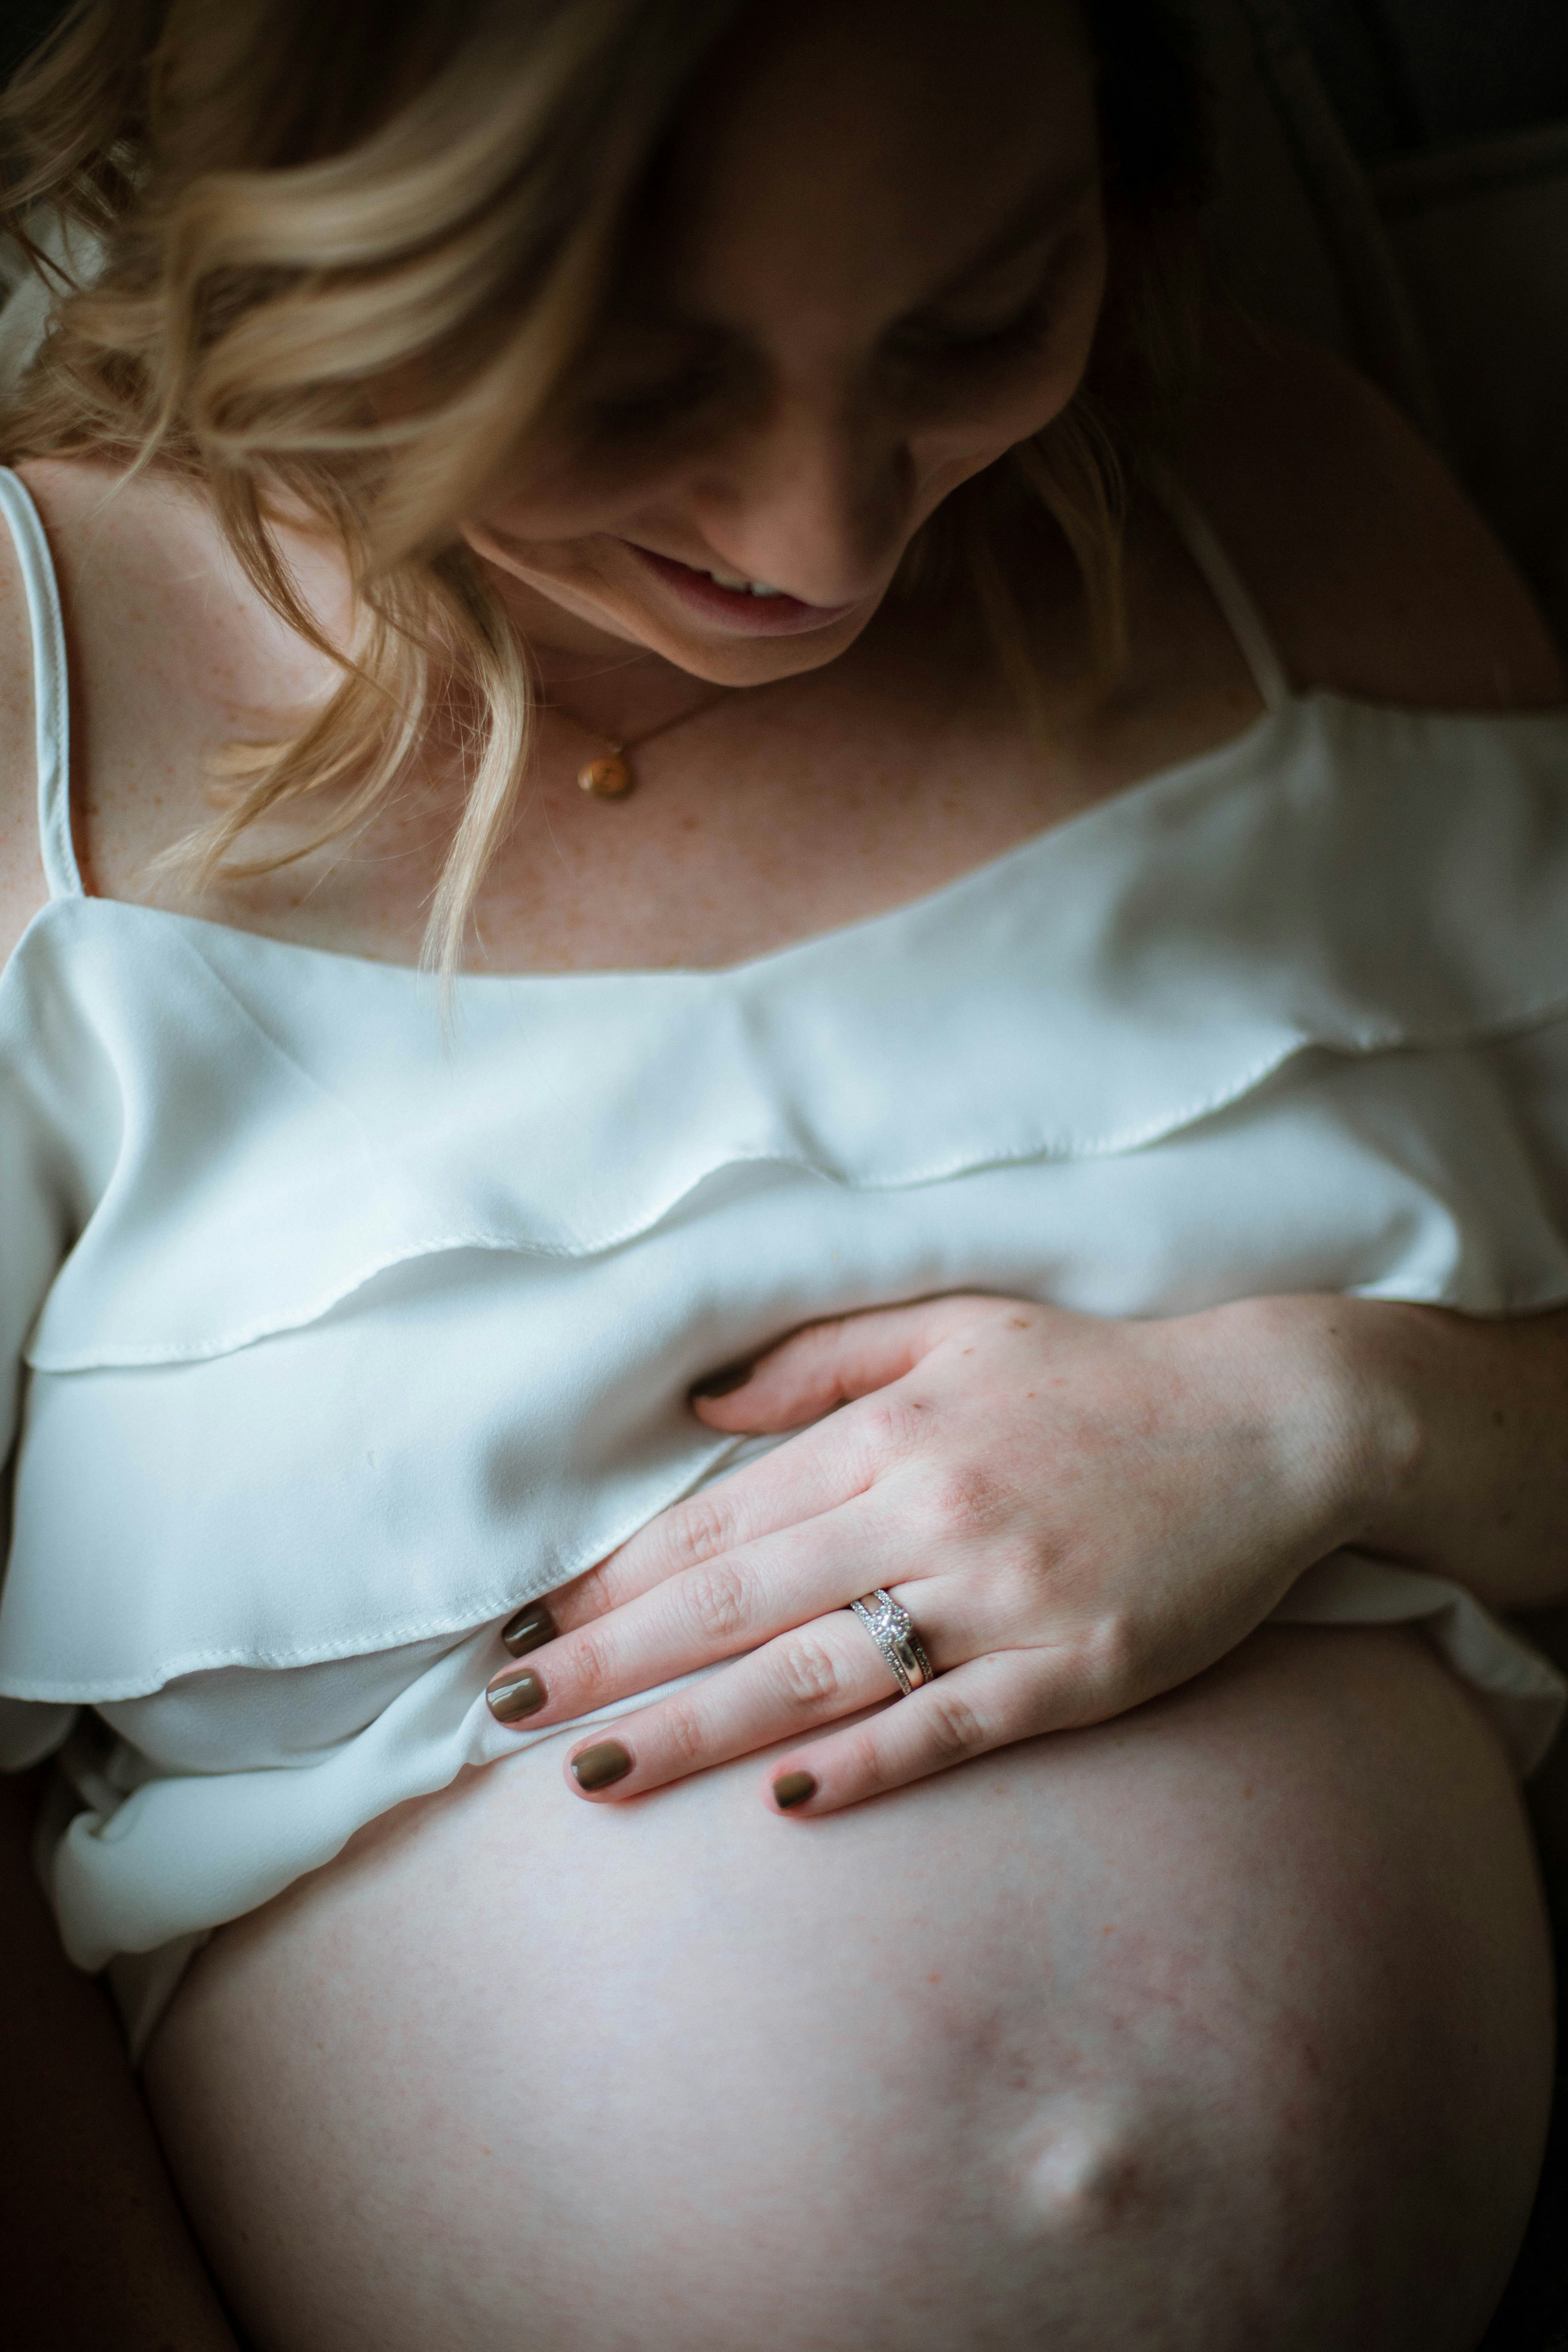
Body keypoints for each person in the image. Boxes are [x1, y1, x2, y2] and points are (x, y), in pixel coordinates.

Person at [1, 0, 1566, 2346]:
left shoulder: (1307, 523)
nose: (818, 537)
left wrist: (1333, 1421)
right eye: (639, 380)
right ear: (327, 237)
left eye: (975, 316)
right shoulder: (32, 698)